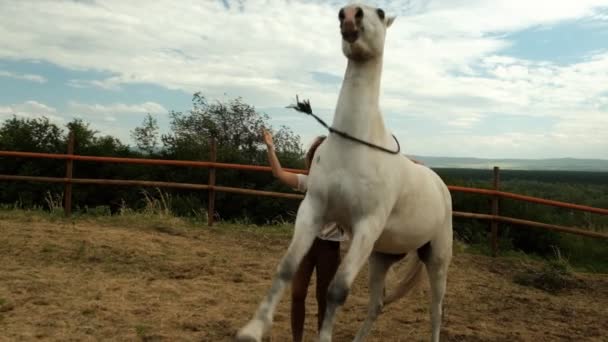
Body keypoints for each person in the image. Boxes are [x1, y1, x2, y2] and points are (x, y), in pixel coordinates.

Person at [262, 129, 347, 342]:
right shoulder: (309, 182)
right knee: (297, 294)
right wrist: (271, 149)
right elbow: (279, 173)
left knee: (323, 299)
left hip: (329, 248)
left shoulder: (342, 188)